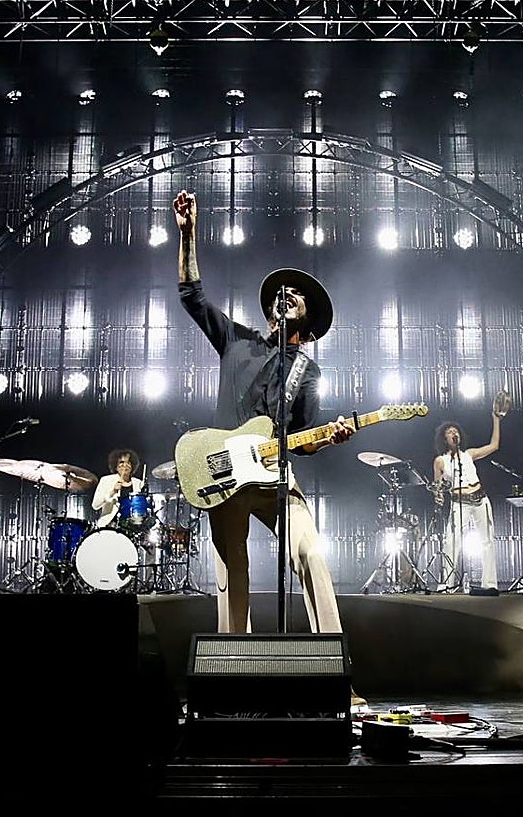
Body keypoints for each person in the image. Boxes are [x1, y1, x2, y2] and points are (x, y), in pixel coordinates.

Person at [173, 189, 361, 697]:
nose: (287, 293)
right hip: (225, 473)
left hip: (277, 474)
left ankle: (336, 678)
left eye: (297, 293)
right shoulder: (236, 341)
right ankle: (236, 679)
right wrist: (188, 233)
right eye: (283, 291)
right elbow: (192, 296)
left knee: (311, 555)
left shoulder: (308, 369)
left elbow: (302, 440)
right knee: (233, 572)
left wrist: (329, 438)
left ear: (309, 319)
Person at [431, 402, 504, 595]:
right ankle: (447, 583)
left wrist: (495, 420)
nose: (454, 433)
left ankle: (489, 583)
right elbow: (437, 487)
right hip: (458, 501)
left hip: (480, 499)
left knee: (487, 541)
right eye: (450, 432)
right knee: (452, 541)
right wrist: (438, 495)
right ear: (444, 438)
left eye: (456, 431)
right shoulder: (441, 461)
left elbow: (494, 446)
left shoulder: (469, 454)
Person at [91, 447, 146, 529]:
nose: (125, 465)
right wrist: (113, 491)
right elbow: (95, 505)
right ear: (116, 466)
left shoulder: (138, 483)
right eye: (121, 462)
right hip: (109, 525)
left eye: (128, 463)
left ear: (132, 466)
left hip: (132, 527)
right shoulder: (106, 480)